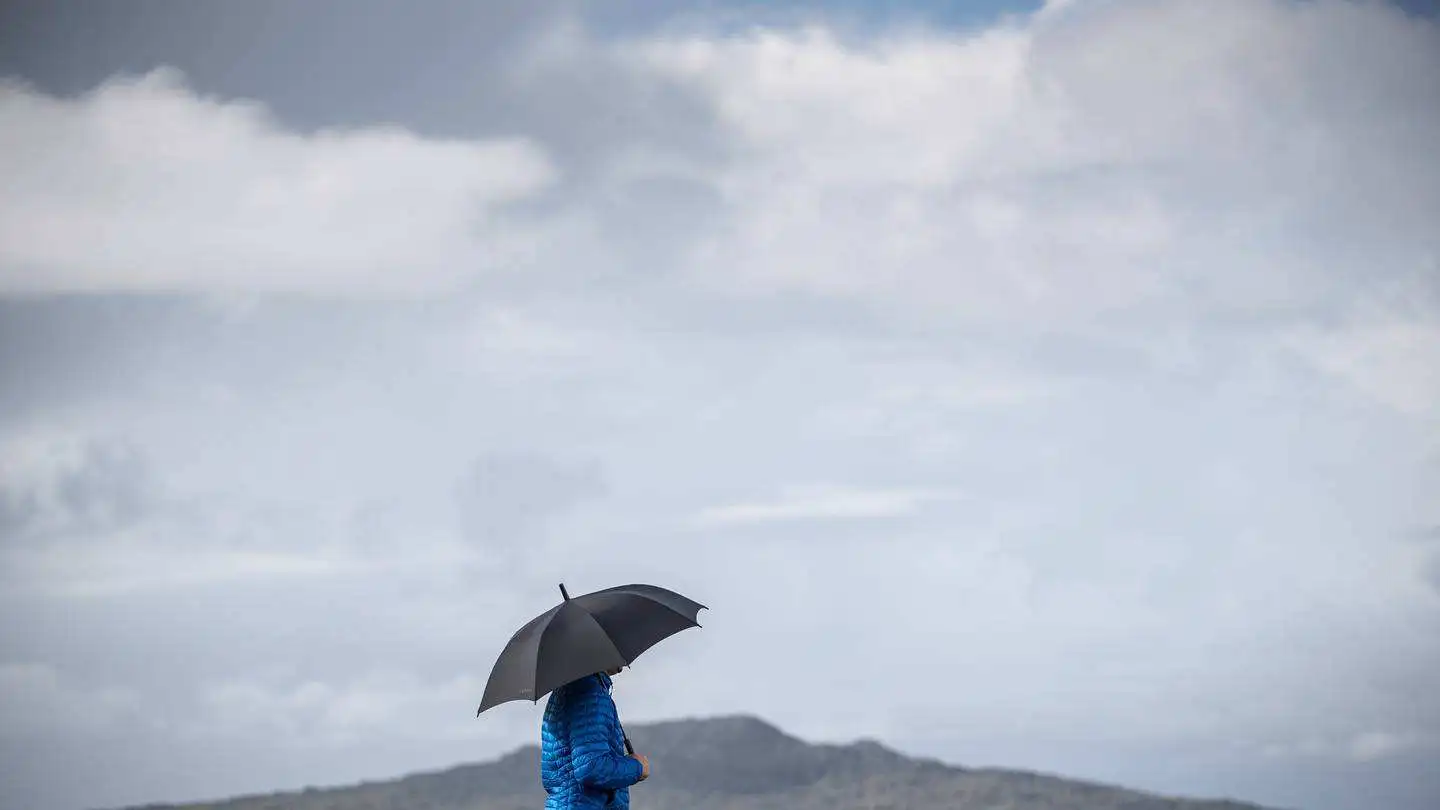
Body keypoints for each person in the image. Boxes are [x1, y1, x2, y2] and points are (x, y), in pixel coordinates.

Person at [540, 664, 651, 809]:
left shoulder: (568, 690)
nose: (624, 663)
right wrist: (637, 767)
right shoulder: (590, 693)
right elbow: (590, 767)